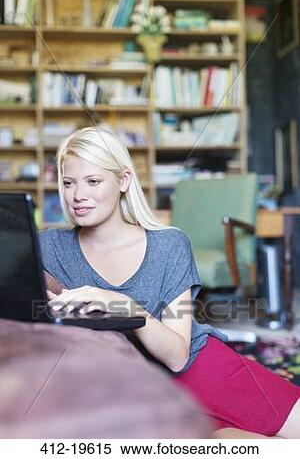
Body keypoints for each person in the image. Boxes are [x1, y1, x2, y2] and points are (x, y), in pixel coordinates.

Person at [40, 126, 300, 439]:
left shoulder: (170, 246)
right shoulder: (48, 248)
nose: (77, 195)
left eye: (93, 181)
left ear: (123, 181)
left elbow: (178, 356)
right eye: (68, 183)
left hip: (201, 369)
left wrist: (125, 308)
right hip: (136, 394)